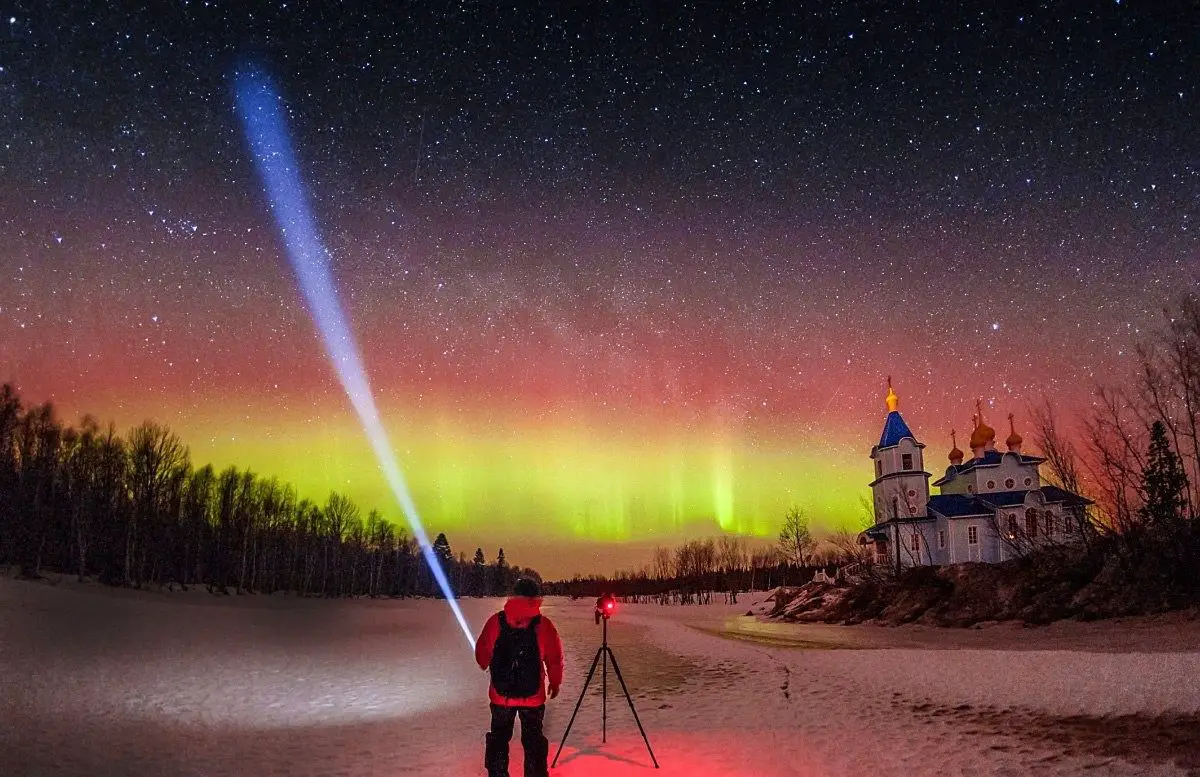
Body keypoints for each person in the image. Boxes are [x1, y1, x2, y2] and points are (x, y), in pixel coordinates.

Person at [475, 577, 564, 777]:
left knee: (499, 738)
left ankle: (498, 774)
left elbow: (482, 654)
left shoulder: (496, 622)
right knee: (533, 741)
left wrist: (486, 663)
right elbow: (555, 657)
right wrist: (555, 682)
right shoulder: (543, 625)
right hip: (533, 697)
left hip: (501, 695)